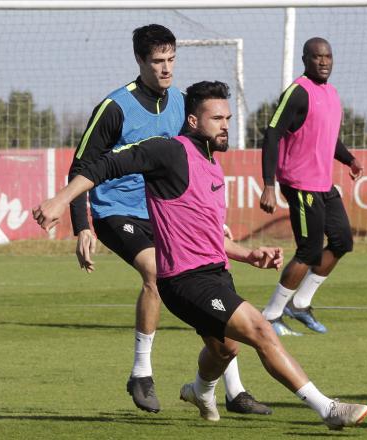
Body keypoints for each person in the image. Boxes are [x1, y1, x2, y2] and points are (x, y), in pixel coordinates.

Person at [33, 81, 367, 430]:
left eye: (228, 117)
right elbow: (103, 165)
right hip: (185, 281)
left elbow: (206, 237)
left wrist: (249, 255)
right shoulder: (168, 152)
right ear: (193, 121)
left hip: (215, 273)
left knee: (225, 350)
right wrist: (62, 201)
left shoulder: (212, 167)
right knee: (259, 329)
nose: (226, 125)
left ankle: (198, 390)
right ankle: (327, 408)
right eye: (216, 118)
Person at [68, 24, 269, 415]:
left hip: (164, 214)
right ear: (140, 61)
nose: (166, 68)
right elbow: (83, 165)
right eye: (157, 61)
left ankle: (234, 390)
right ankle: (141, 372)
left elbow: (196, 161)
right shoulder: (115, 107)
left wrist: (209, 216)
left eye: (171, 59)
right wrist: (82, 226)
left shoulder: (181, 104)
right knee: (157, 272)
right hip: (116, 212)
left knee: (213, 278)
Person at [259, 38, 364, 336]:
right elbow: (272, 134)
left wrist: (350, 159)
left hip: (323, 184)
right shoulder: (297, 92)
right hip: (300, 184)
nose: (324, 62)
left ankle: (300, 304)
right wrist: (269, 184)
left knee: (342, 241)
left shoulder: (331, 94)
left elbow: (328, 138)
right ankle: (270, 315)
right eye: (317, 57)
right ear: (305, 59)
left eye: (328, 56)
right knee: (309, 251)